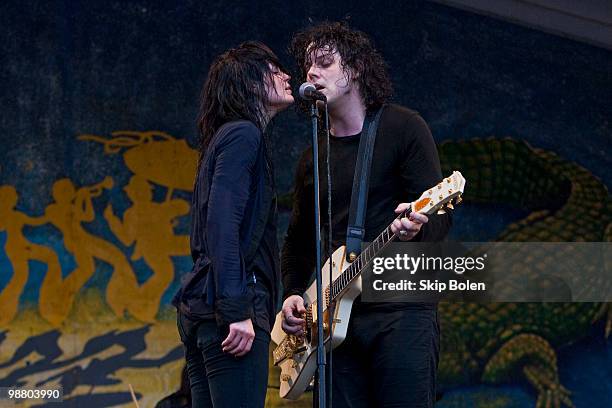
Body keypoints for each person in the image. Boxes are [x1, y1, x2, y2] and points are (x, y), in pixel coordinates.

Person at [280, 22, 452, 407]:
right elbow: (298, 240)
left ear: (355, 69)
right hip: (333, 322)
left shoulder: (404, 128)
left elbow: (440, 221)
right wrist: (292, 293)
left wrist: (415, 228)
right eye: (307, 66)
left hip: (401, 310)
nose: (311, 72)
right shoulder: (314, 156)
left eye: (324, 62)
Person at [172, 41, 293, 407]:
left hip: (205, 309)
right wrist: (237, 310)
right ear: (251, 83)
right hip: (229, 310)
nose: (287, 76)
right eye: (274, 70)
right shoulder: (243, 134)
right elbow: (222, 223)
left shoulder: (226, 138)